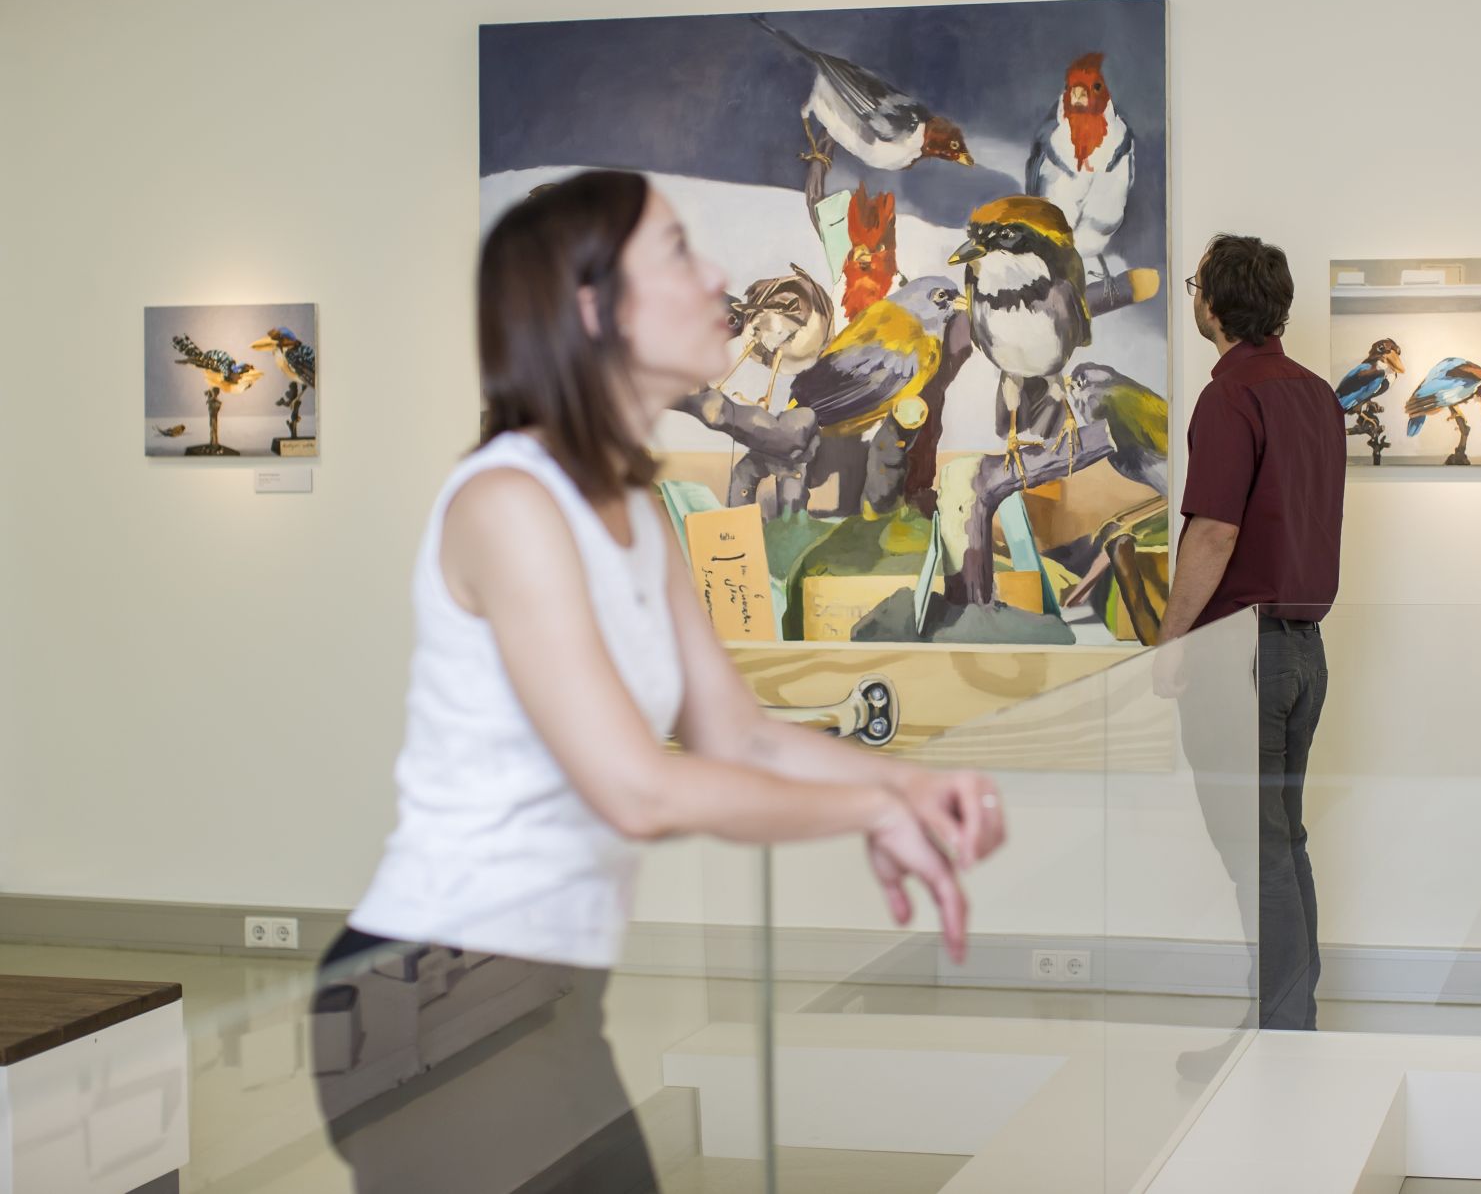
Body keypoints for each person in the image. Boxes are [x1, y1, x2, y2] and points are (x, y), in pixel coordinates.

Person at [312, 170, 1005, 1191]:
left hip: (543, 996)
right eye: (677, 252)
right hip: (423, 993)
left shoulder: (630, 505)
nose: (717, 275)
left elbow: (735, 733)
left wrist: (909, 787)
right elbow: (636, 788)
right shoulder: (509, 501)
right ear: (595, 309)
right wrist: (869, 809)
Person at [1157, 233, 1344, 1032]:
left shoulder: (1230, 398)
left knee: (1255, 849)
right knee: (1281, 841)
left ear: (1212, 304)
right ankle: (1285, 1019)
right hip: (1303, 654)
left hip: (1242, 658)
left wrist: (1171, 641)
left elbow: (1213, 534)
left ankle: (1283, 1033)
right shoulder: (1317, 395)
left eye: (1194, 285)